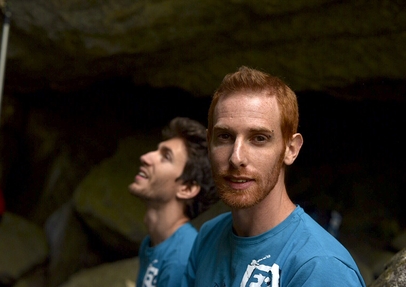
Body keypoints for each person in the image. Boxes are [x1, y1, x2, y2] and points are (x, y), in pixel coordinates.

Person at [182, 66, 366, 286]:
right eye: (224, 136)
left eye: (259, 138)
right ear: (208, 143)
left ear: (291, 149)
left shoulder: (319, 267)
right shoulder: (208, 237)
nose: (236, 157)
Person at [129, 117, 218, 287]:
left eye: (166, 157)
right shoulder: (152, 243)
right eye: (157, 150)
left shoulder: (182, 258)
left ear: (187, 188)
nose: (146, 157)